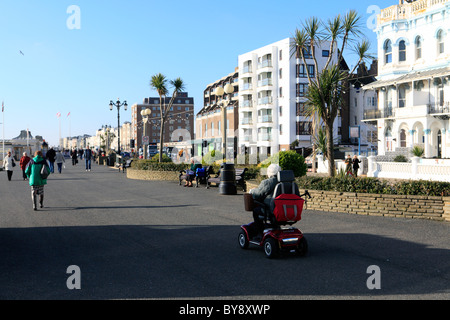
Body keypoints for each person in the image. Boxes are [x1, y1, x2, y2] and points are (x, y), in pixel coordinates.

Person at [248, 164, 282, 232]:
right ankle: (276, 226)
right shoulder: (286, 182)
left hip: (270, 209)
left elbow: (258, 194)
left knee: (256, 210)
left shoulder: (267, 182)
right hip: (284, 209)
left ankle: (259, 230)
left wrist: (252, 191)